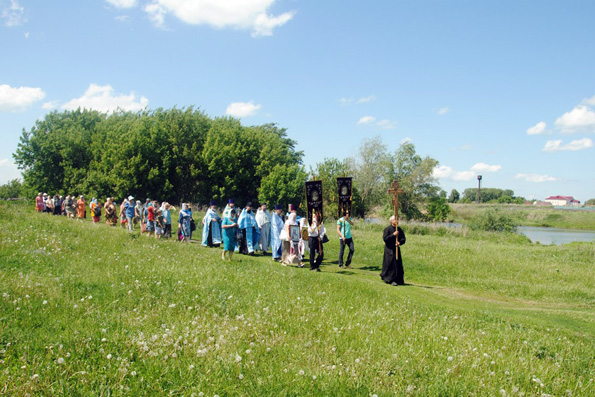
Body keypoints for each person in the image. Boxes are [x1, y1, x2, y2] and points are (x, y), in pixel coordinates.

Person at [381, 215, 407, 286]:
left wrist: (399, 242)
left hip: (396, 249)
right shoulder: (387, 229)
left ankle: (398, 280)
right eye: (396, 220)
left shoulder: (399, 229)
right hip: (389, 249)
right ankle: (390, 279)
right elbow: (385, 239)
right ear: (392, 221)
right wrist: (393, 234)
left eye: (398, 220)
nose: (397, 221)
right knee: (391, 264)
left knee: (398, 264)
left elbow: (403, 239)